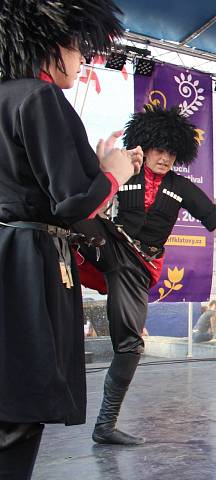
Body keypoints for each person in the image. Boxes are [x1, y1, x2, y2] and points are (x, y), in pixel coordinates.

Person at [72, 106, 216, 445]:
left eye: (172, 152)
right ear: (145, 145)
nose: (165, 158)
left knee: (129, 347)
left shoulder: (181, 187)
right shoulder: (126, 171)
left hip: (138, 266)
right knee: (73, 217)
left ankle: (105, 426)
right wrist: (101, 170)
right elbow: (85, 195)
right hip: (110, 245)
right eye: (159, 149)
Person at [0, 1, 138, 477]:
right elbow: (73, 203)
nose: (84, 61)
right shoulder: (39, 99)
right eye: (79, 49)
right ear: (51, 45)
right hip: (25, 264)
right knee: (19, 403)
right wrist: (113, 174)